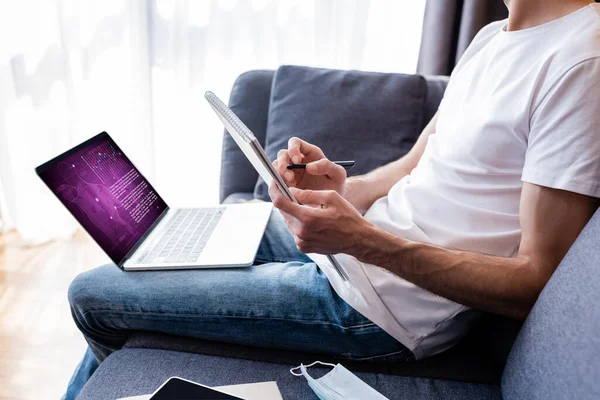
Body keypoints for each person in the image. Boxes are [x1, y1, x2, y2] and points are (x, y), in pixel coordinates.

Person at [64, 0, 600, 397]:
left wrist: (362, 240)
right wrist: (341, 192)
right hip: (351, 254)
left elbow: (534, 279)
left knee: (93, 294)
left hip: (378, 310)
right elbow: (414, 167)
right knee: (164, 244)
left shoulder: (581, 61)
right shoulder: (490, 38)